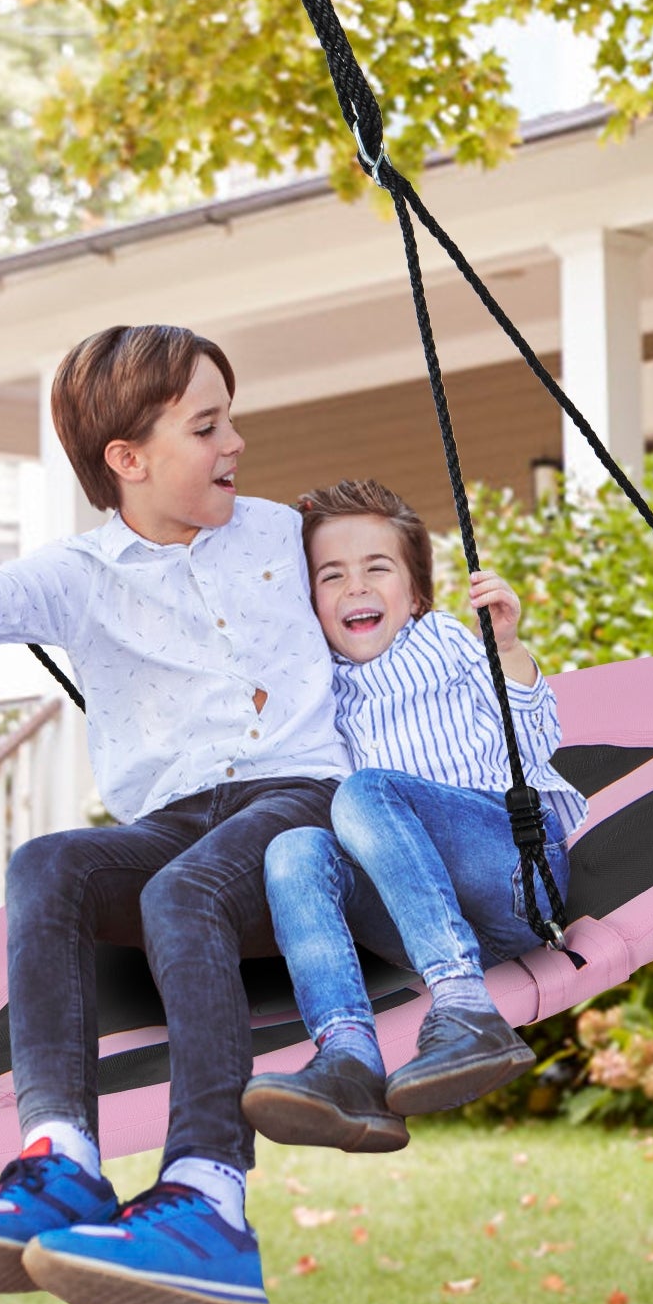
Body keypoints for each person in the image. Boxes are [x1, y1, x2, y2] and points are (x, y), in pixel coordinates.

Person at [0, 325, 350, 1304]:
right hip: (179, 824)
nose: (236, 443)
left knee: (179, 888)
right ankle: (61, 1159)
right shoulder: (84, 574)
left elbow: (389, 614)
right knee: (49, 863)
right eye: (208, 425)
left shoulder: (290, 536)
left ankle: (211, 1200)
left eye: (231, 419)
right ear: (128, 460)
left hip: (300, 809)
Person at [241, 479, 588, 1154]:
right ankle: (347, 1062)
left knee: (366, 793)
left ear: (416, 593)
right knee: (295, 848)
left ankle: (464, 1011)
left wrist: (509, 649)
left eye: (378, 569)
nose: (355, 589)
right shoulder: (314, 690)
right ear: (308, 604)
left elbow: (536, 737)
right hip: (410, 918)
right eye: (331, 576)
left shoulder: (447, 640)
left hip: (509, 868)